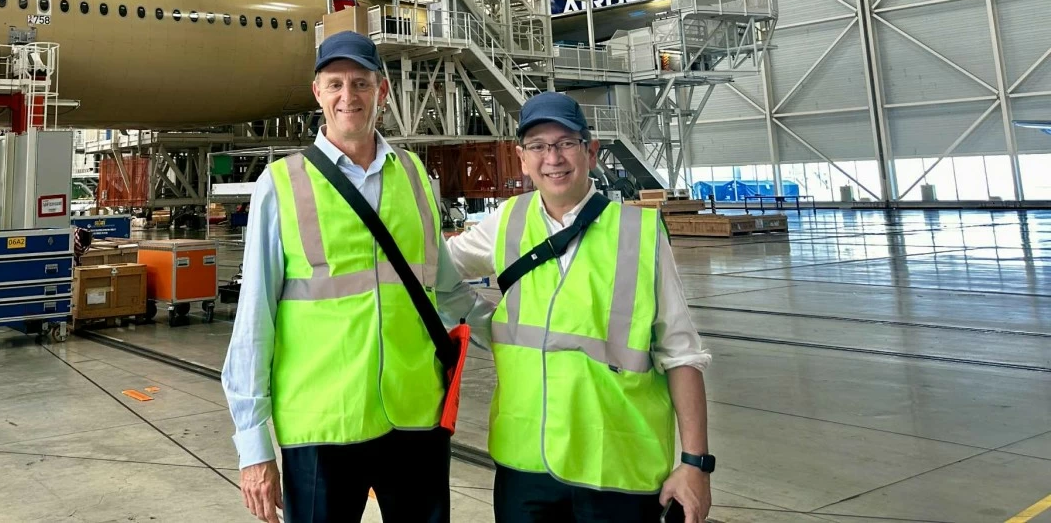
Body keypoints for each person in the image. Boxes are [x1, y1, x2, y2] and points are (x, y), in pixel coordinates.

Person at [221, 30, 494, 523]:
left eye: (362, 84)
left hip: (416, 417)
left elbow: (448, 291)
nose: (350, 96)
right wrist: (253, 447)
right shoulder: (281, 184)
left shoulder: (416, 177)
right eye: (336, 84)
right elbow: (253, 320)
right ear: (318, 93)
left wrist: (519, 337)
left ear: (382, 92)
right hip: (323, 423)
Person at [446, 91, 715, 523]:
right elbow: (433, 270)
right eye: (538, 146)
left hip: (616, 463)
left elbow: (681, 353)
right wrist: (485, 321)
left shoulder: (638, 233)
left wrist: (695, 464)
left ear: (590, 151)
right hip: (525, 463)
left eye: (565, 143)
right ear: (522, 157)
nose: (552, 157)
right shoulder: (506, 222)